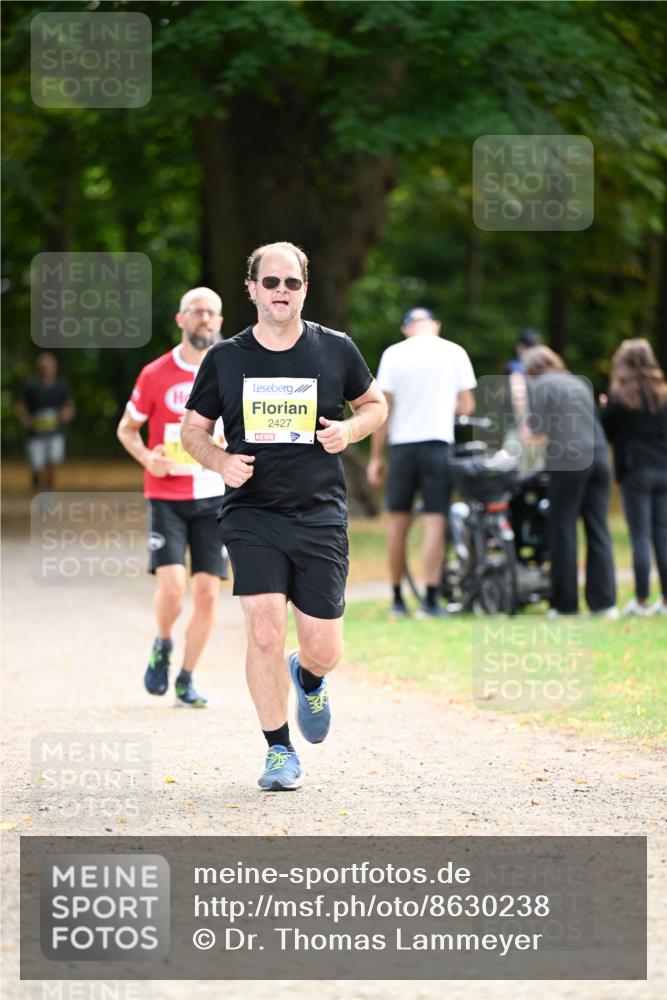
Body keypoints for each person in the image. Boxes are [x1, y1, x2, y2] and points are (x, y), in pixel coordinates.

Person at [180, 241, 387, 791]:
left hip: (319, 512)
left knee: (324, 647)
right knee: (266, 629)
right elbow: (192, 431)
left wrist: (350, 430)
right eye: (270, 282)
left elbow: (375, 405)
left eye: (291, 283)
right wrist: (222, 461)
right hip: (252, 512)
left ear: (304, 289)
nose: (280, 292)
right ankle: (278, 752)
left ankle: (309, 677)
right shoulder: (226, 358)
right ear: (250, 289)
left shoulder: (335, 349)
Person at [116, 287, 227, 707]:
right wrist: (148, 458)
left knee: (207, 593)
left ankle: (187, 677)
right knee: (172, 588)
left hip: (214, 495)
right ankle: (163, 642)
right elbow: (127, 429)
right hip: (166, 495)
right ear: (180, 319)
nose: (205, 320)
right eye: (197, 312)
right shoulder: (155, 373)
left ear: (220, 321)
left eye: (212, 314)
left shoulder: (230, 370)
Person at [366, 307, 477, 618]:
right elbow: (467, 404)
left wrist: (376, 458)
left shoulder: (393, 354)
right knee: (434, 523)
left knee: (397, 527)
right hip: (438, 445)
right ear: (436, 325)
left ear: (406, 329)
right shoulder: (454, 352)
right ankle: (430, 600)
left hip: (402, 448)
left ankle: (398, 599)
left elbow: (382, 409)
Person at [522, 345, 617, 617]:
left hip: (568, 461)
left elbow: (538, 433)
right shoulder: (577, 382)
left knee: (562, 528)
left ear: (531, 369)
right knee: (598, 528)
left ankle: (565, 605)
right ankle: (605, 603)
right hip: (599, 458)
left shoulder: (539, 385)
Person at [600, 339, 667, 617]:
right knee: (663, 536)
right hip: (664, 469)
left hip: (635, 471)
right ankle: (664, 602)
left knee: (640, 536)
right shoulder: (663, 393)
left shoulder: (619, 395)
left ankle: (640, 600)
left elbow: (607, 433)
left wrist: (605, 407)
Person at [16, 352, 75, 491]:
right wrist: (25, 419)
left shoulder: (61, 387)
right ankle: (35, 487)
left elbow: (69, 405)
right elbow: (20, 405)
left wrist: (66, 414)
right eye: (42, 367)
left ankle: (49, 492)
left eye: (48, 366)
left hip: (55, 433)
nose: (45, 369)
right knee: (37, 466)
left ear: (54, 368)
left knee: (52, 463)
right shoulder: (31, 386)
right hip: (35, 434)